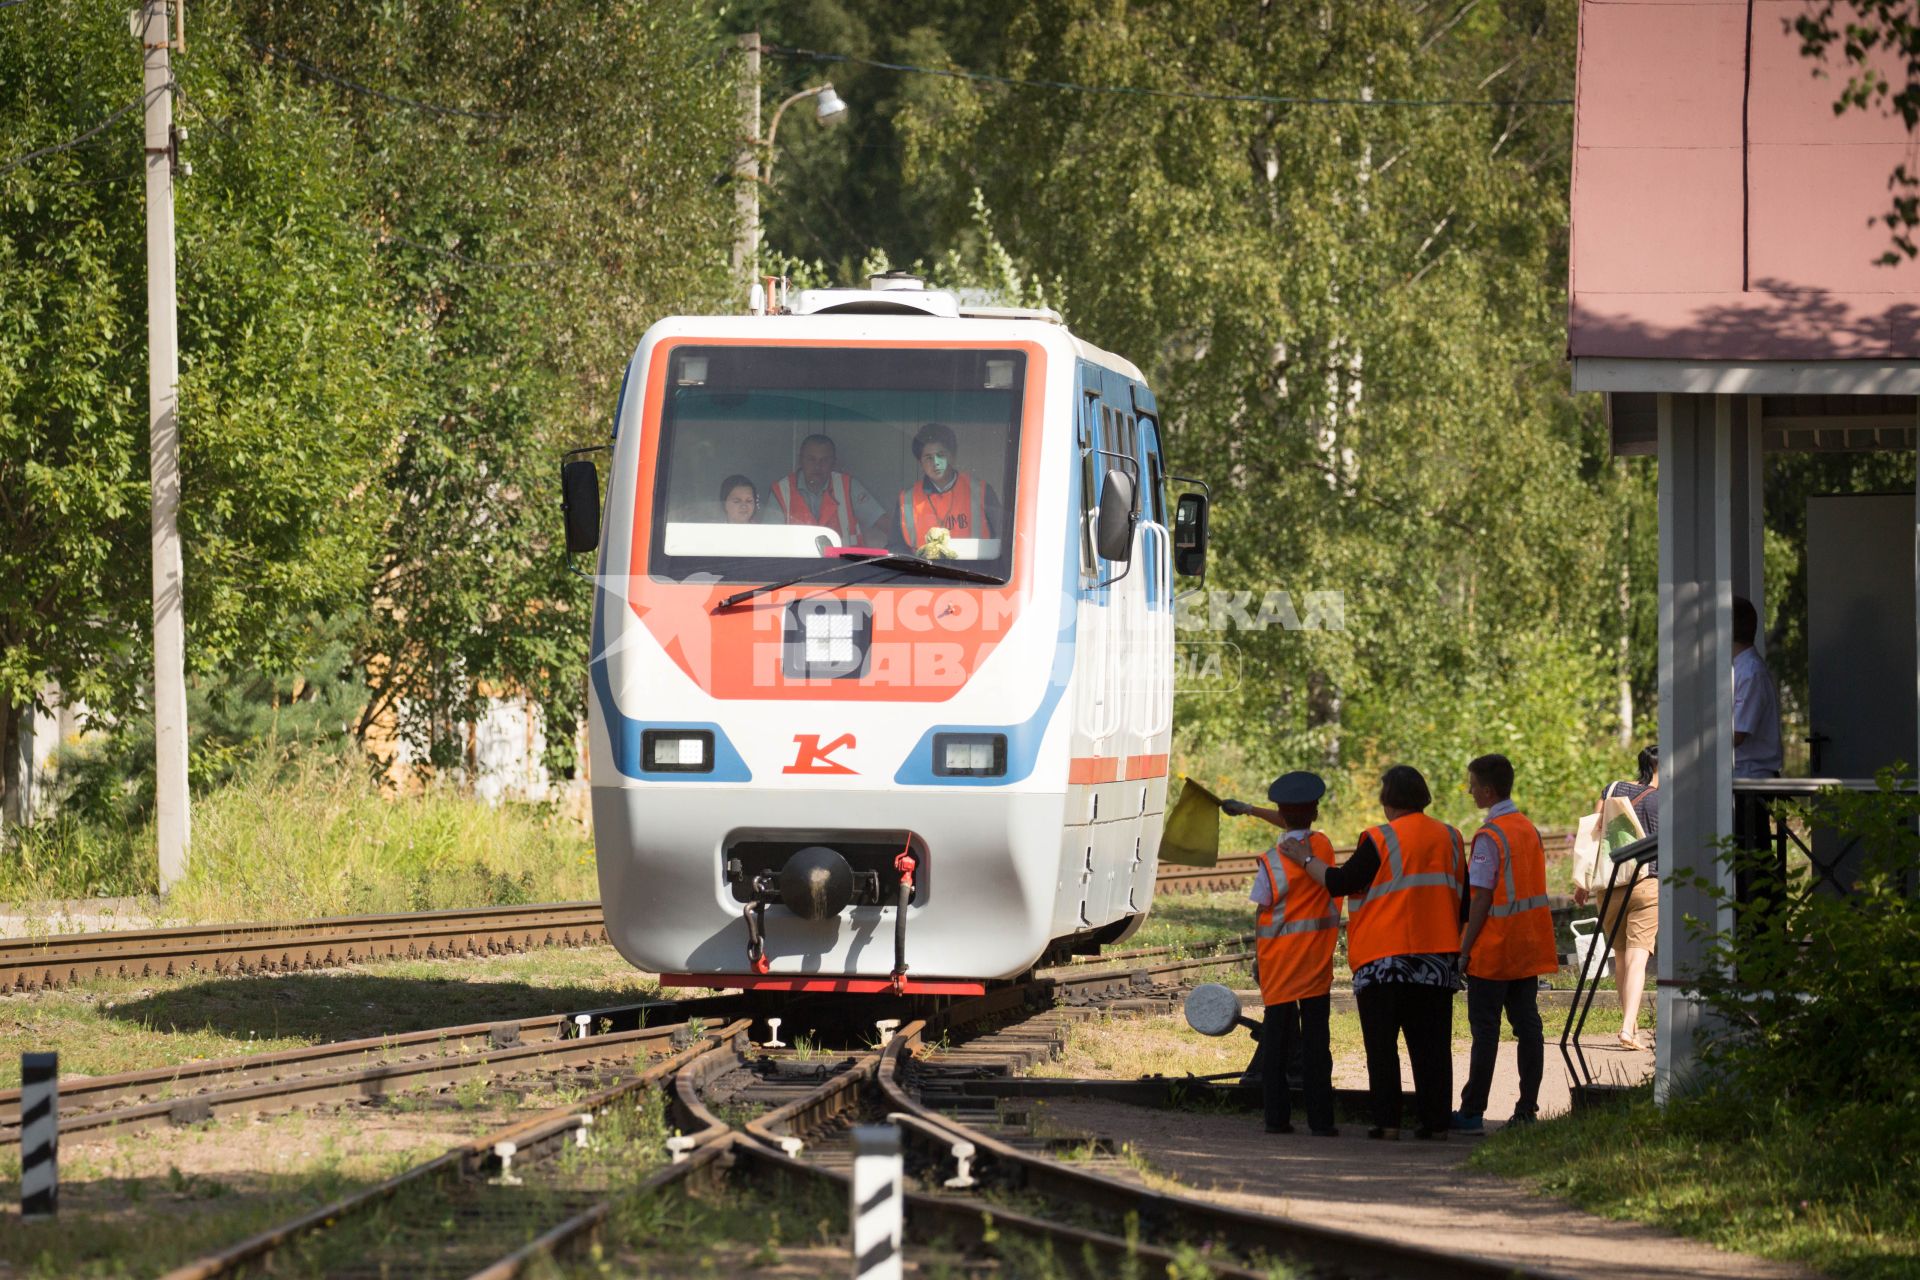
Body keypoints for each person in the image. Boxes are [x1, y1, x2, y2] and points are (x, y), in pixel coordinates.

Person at [1277, 764, 1464, 1140]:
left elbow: (1339, 882)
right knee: (1433, 1048)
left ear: (1386, 801)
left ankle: (1389, 1124)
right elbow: (1465, 897)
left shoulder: (1381, 839)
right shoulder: (1451, 836)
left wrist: (1303, 858)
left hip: (1383, 960)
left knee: (1382, 1047)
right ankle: (1436, 1124)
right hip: (1437, 960)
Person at [1222, 772, 1341, 1137]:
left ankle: (1276, 1119)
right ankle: (1322, 1122)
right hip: (1316, 962)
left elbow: (1262, 910)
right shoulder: (1323, 849)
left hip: (1279, 964)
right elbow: (1297, 823)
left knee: (1276, 1042)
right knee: (1318, 1042)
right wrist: (1251, 811)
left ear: (1281, 812)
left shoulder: (1272, 862)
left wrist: (1249, 810)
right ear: (1315, 812)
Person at [1452, 754, 1556, 1132]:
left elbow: (1480, 898)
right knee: (1528, 1026)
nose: (1470, 791)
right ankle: (1527, 1107)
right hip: (1527, 945)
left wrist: (1464, 950)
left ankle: (1472, 1112)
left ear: (1489, 790)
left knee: (1486, 1030)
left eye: (1473, 785)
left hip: (1495, 950)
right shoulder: (1527, 828)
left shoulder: (1489, 836)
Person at [1578, 744, 1660, 1049]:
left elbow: (1594, 835)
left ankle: (1632, 1024)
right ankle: (1628, 1028)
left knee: (1622, 956)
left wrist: (1582, 880)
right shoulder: (1664, 799)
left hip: (1609, 884)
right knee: (1639, 958)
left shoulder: (1611, 789)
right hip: (1647, 882)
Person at [894, 422, 1002, 554]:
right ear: (920, 463)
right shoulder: (907, 499)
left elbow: (1004, 540)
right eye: (928, 458)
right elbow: (896, 549)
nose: (936, 463)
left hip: (975, 571)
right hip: (922, 572)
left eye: (941, 455)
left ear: (952, 456)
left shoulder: (981, 491)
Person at [766, 434, 886, 546]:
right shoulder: (781, 491)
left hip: (846, 567)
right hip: (797, 568)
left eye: (825, 460)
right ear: (800, 461)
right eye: (811, 459)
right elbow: (769, 541)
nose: (817, 466)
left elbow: (884, 523)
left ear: (834, 462)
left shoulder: (848, 486)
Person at [1731, 596, 1782, 779]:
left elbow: (1738, 734)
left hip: (1752, 779)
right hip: (1743, 775)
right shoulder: (1741, 669)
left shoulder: (1750, 673)